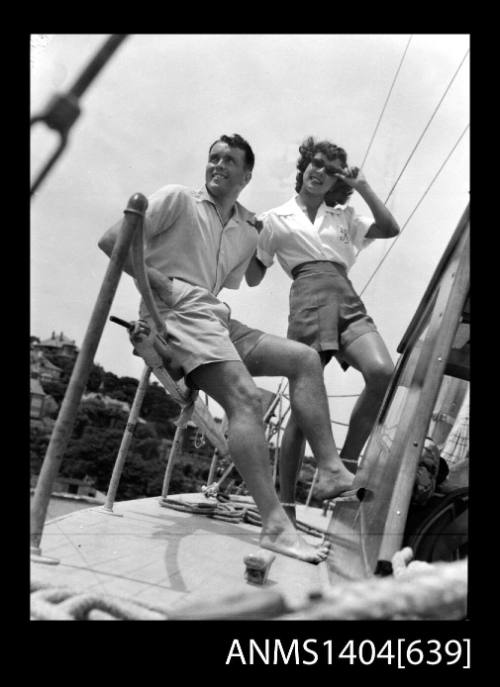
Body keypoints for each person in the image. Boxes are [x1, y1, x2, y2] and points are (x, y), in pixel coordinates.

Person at [98, 133, 355, 564]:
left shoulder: (244, 228)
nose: (218, 165)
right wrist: (162, 284)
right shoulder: (177, 199)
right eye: (213, 157)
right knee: (246, 398)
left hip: (214, 314)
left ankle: (329, 469)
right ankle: (275, 525)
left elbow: (251, 277)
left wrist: (268, 233)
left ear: (247, 174)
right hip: (175, 310)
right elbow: (112, 240)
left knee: (305, 359)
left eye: (229, 160)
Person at [246, 136, 400, 512]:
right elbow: (252, 276)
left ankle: (342, 469)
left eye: (330, 172)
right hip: (307, 298)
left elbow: (390, 227)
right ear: (304, 167)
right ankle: (286, 506)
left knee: (382, 372)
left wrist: (363, 187)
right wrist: (243, 234)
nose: (319, 172)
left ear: (336, 183)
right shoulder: (274, 219)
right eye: (315, 164)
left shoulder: (344, 217)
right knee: (303, 409)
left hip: (346, 298)